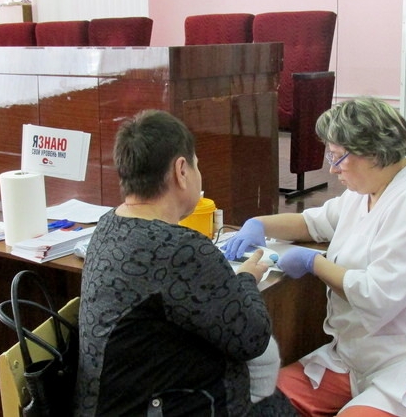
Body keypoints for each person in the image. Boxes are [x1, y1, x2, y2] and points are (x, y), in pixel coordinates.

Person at [223, 96, 406, 416]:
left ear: (372, 152)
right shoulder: (367, 188)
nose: (332, 167)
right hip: (354, 355)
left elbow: (379, 296)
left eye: (338, 157)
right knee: (260, 402)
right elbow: (314, 222)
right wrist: (258, 224)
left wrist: (315, 263)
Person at [74, 109, 287, 416]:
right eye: (197, 164)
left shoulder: (108, 225)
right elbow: (252, 337)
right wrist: (246, 278)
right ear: (181, 170)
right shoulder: (180, 249)